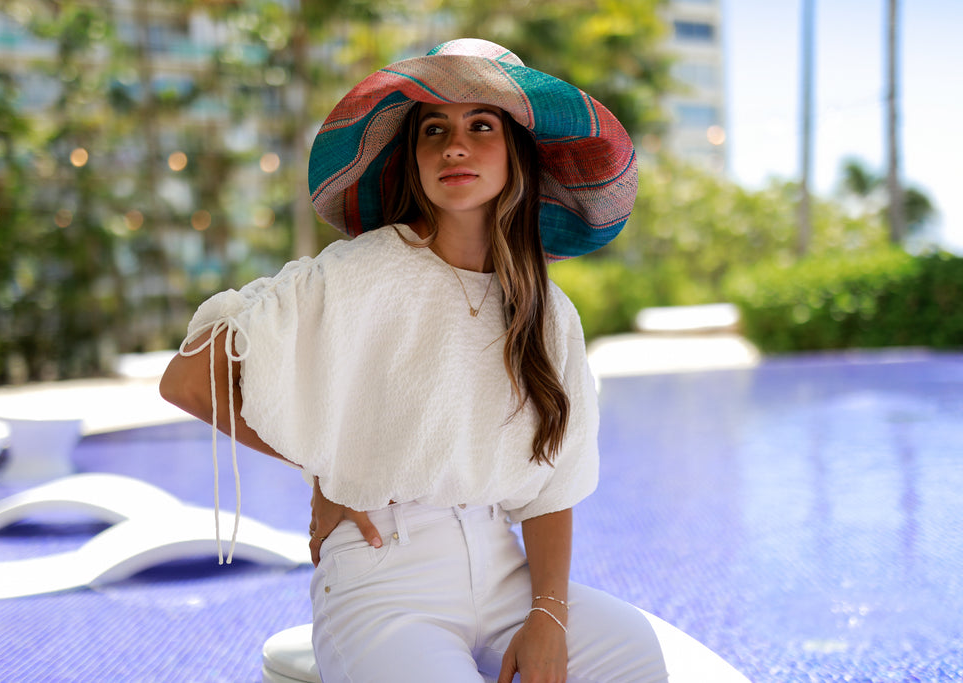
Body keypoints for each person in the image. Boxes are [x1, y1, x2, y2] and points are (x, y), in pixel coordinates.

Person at [160, 39, 749, 683]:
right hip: (382, 579)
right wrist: (328, 468)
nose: (454, 147)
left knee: (663, 670)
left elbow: (552, 483)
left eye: (481, 126)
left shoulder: (549, 314)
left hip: (504, 574)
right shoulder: (361, 272)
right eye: (433, 130)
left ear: (517, 153)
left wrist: (548, 615)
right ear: (413, 159)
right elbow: (189, 378)